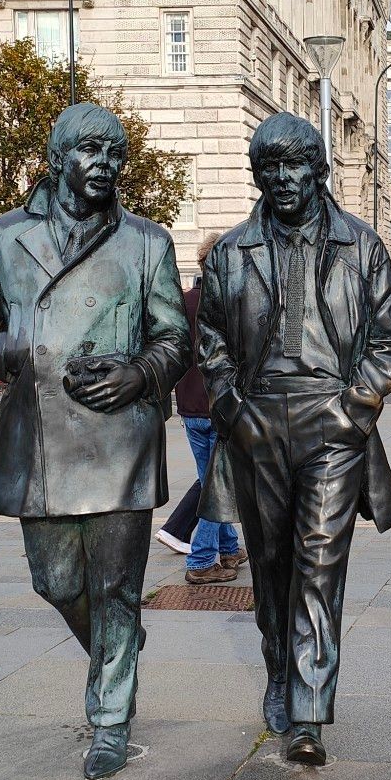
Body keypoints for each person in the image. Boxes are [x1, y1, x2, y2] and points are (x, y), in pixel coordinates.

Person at [0, 103, 188, 780]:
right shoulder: (3, 239)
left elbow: (176, 337)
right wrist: (13, 348)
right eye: (92, 151)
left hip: (120, 437)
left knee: (116, 587)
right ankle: (119, 648)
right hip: (41, 436)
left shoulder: (147, 243)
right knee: (53, 580)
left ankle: (110, 719)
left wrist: (139, 370)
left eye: (116, 154)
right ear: (58, 159)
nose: (106, 166)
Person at [197, 112, 391, 766]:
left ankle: (309, 711)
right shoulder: (232, 253)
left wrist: (355, 410)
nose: (283, 178)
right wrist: (234, 410)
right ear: (257, 174)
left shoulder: (362, 247)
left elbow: (386, 339)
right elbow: (212, 345)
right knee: (274, 569)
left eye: (295, 165)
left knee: (319, 567)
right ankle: (281, 675)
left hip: (331, 428)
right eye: (270, 167)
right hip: (259, 427)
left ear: (318, 169)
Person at [156, 232, 247, 584]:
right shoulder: (230, 304)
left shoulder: (182, 303)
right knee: (217, 487)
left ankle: (228, 547)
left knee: (213, 480)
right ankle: (202, 560)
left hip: (190, 410)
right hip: (221, 409)